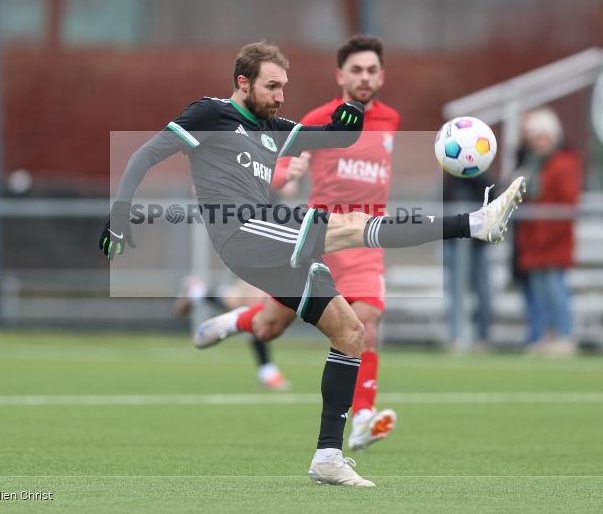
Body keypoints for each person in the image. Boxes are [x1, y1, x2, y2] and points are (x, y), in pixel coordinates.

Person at [100, 41, 526, 487]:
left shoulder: (275, 128)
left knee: (350, 332)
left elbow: (337, 137)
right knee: (352, 224)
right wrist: (120, 210)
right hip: (242, 231)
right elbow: (143, 153)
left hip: (268, 239)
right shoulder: (210, 114)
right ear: (242, 83)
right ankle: (473, 223)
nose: (281, 96)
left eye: (284, 86)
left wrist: (351, 119)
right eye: (271, 86)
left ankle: (327, 455)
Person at [201, 34, 401, 451]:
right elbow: (269, 164)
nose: (364, 77)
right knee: (269, 327)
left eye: (371, 70)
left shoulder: (391, 120)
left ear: (381, 76)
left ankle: (362, 417)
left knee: (365, 323)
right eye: (356, 70)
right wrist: (284, 178)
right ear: (340, 75)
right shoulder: (319, 118)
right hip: (316, 238)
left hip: (364, 239)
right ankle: (236, 320)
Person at [515, 108, 581, 356]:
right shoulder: (533, 166)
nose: (539, 143)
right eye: (535, 139)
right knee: (541, 294)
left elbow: (565, 205)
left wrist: (546, 234)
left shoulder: (563, 165)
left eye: (543, 138)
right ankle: (546, 335)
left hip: (553, 241)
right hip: (534, 241)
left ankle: (565, 334)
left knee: (556, 291)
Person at [442, 175, 495, 351]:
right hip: (453, 240)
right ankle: (456, 335)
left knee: (482, 289)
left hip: (477, 243)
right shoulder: (449, 175)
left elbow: (492, 196)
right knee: (455, 291)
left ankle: (482, 337)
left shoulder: (482, 176)